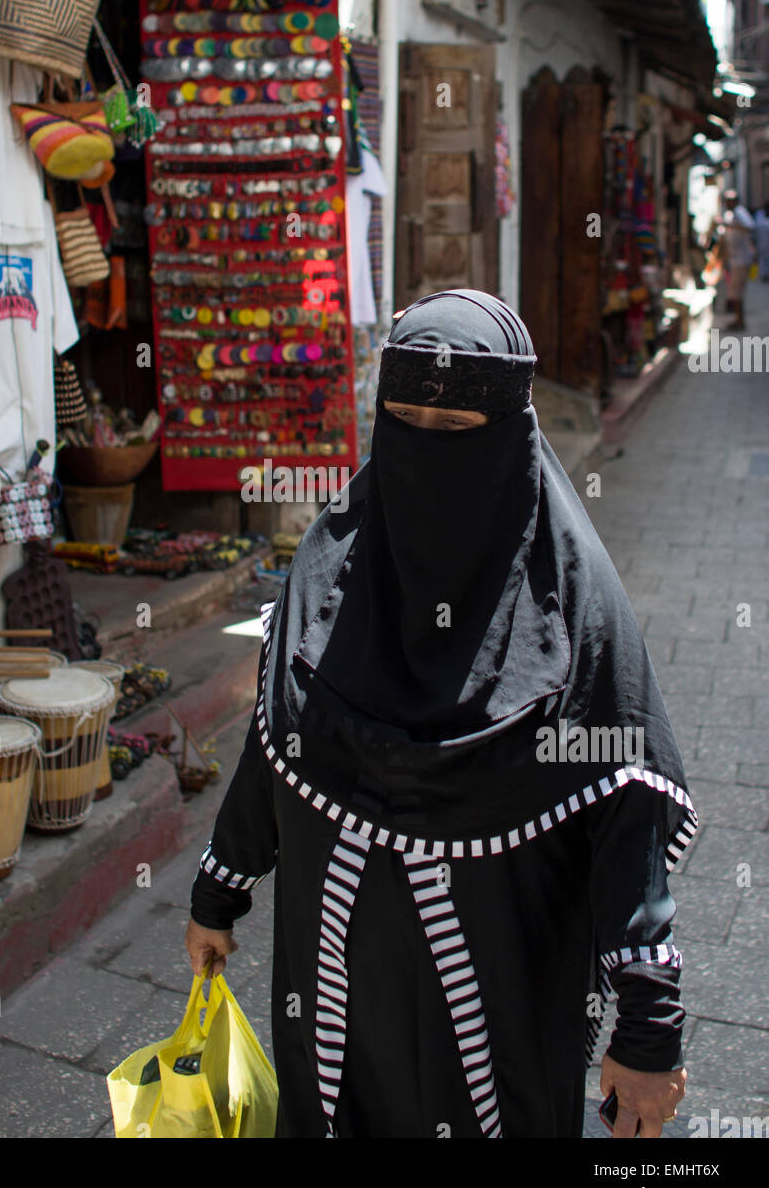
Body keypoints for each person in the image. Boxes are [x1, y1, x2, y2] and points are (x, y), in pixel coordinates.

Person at [186, 290, 695, 1139]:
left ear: (511, 437)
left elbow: (627, 821)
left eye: (457, 430)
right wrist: (218, 891)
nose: (426, 442)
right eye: (405, 417)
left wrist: (648, 1029)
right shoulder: (330, 571)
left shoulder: (574, 608)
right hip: (336, 991)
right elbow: (274, 752)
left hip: (501, 1000)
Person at [718, 190, 755, 328]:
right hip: (736, 260)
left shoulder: (739, 212)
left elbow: (749, 226)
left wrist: (731, 226)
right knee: (735, 292)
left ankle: (739, 321)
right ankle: (738, 320)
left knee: (736, 292)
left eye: (729, 200)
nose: (727, 203)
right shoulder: (731, 214)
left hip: (741, 260)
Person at [753, 202, 769, 282]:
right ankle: (765, 275)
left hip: (761, 244)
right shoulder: (762, 221)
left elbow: (756, 233)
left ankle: (764, 275)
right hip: (763, 244)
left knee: (763, 261)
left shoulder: (760, 221)